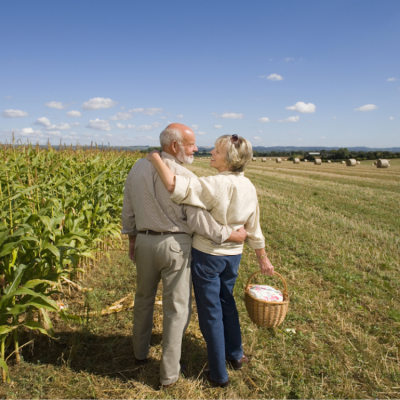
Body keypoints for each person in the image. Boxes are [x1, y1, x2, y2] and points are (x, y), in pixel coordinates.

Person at [121, 124, 247, 389]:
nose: (196, 149)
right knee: (177, 309)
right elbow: (198, 219)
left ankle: (139, 353)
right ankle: (168, 375)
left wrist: (133, 239)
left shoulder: (137, 167)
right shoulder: (185, 176)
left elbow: (128, 206)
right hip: (176, 246)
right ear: (175, 146)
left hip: (144, 241)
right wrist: (227, 234)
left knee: (142, 298)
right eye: (191, 144)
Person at [147, 134, 275, 387]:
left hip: (208, 256)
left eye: (217, 151)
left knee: (210, 313)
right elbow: (254, 225)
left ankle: (218, 375)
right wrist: (263, 257)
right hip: (233, 258)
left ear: (229, 159)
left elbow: (174, 186)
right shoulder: (248, 185)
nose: (211, 153)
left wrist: (154, 157)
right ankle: (236, 355)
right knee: (227, 303)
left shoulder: (215, 184)